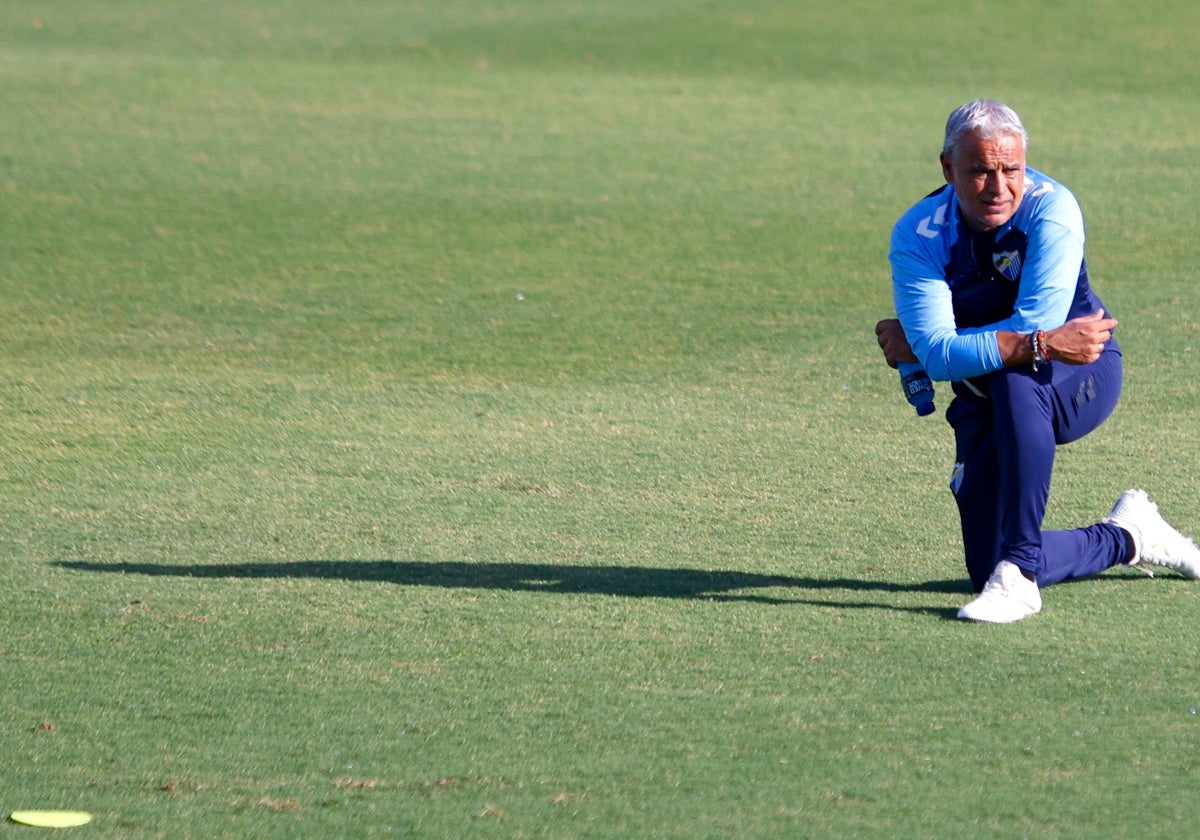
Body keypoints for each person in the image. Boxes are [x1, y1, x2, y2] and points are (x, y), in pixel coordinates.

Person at [874, 98, 1200, 623]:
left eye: (1012, 169)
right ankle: (1129, 535)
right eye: (980, 171)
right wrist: (935, 347)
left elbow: (1031, 337)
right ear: (947, 168)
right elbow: (938, 355)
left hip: (1081, 370)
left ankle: (1021, 575)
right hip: (987, 387)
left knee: (1015, 375)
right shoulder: (918, 234)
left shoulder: (1053, 210)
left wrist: (941, 344)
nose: (999, 187)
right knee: (984, 564)